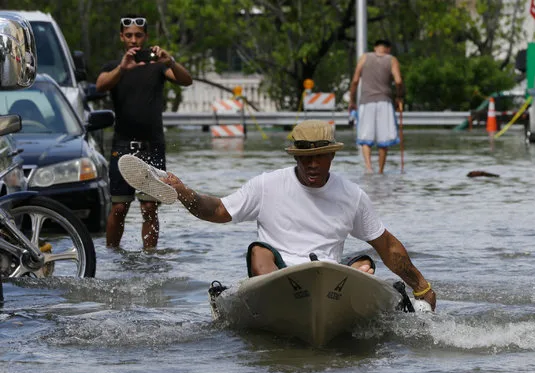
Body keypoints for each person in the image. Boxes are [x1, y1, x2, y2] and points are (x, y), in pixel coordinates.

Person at [128, 120, 436, 310]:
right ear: (295, 157)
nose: (312, 165)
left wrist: (421, 287)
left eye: (318, 157)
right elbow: (219, 210)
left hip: (329, 281)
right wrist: (183, 191)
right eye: (305, 158)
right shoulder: (267, 184)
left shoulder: (352, 195)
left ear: (331, 156)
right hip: (277, 277)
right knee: (258, 250)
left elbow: (388, 247)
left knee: (366, 262)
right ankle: (275, 305)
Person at [96, 14, 192, 250]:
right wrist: (123, 67)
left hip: (153, 146)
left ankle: (150, 256)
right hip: (122, 147)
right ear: (122, 37)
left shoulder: (158, 66)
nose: (134, 40)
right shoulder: (114, 68)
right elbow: (100, 85)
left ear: (146, 37)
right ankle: (113, 255)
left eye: (138, 35)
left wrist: (169, 61)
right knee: (119, 207)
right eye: (129, 35)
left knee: (149, 208)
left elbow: (186, 80)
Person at [348, 39, 404, 174]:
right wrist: (399, 97)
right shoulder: (391, 60)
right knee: (383, 140)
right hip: (385, 101)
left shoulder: (364, 58)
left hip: (366, 101)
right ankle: (380, 170)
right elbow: (398, 80)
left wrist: (351, 100)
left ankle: (369, 168)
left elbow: (355, 80)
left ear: (375, 47)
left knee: (365, 137)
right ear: (388, 49)